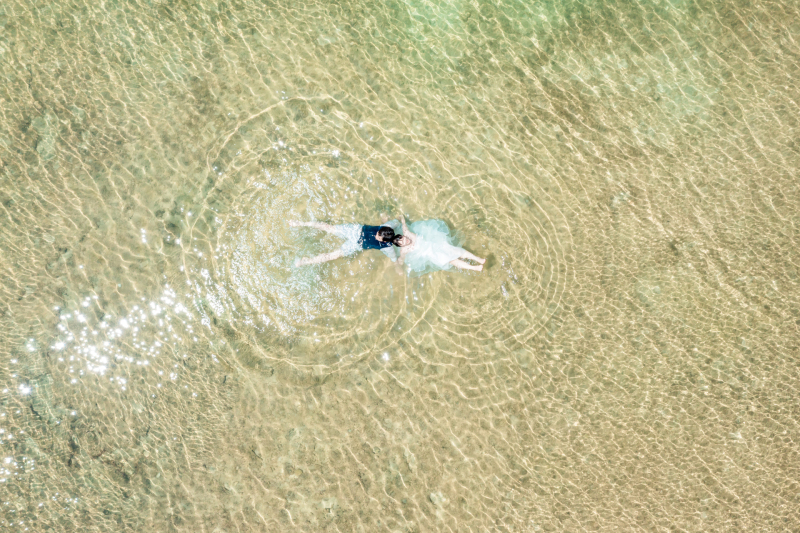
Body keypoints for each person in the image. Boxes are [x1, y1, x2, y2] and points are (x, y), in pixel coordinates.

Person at [290, 219, 409, 266]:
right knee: (329, 228)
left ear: (385, 241)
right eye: (379, 232)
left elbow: (394, 260)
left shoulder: (388, 248)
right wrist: (403, 224)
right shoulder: (388, 226)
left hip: (356, 244)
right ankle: (301, 223)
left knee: (333, 255)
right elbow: (397, 221)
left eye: (378, 236)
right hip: (356, 230)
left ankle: (306, 261)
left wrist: (401, 255)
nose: (376, 234)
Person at [395, 215, 485, 273]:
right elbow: (401, 259)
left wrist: (401, 218)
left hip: (435, 242)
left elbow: (404, 225)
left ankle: (478, 259)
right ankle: (474, 268)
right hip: (432, 254)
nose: (405, 241)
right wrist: (398, 265)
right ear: (401, 246)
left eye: (403, 239)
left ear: (403, 236)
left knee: (455, 250)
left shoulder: (407, 233)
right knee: (452, 260)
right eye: (403, 243)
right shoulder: (404, 250)